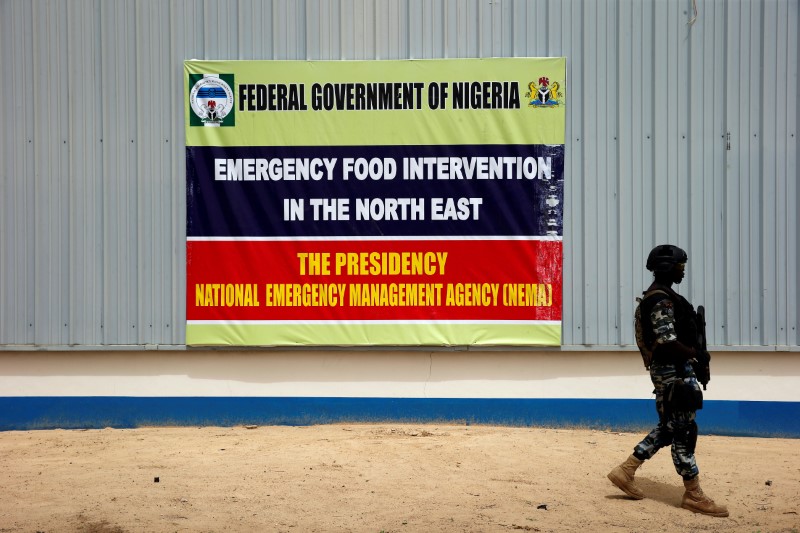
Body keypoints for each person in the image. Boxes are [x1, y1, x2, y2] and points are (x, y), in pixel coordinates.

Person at [607, 244, 728, 517]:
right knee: (684, 429)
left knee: (671, 426)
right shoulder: (661, 300)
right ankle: (693, 493)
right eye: (679, 266)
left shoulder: (663, 296)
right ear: (666, 267)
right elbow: (667, 341)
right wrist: (695, 354)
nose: (682, 271)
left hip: (671, 371)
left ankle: (626, 470)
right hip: (672, 373)